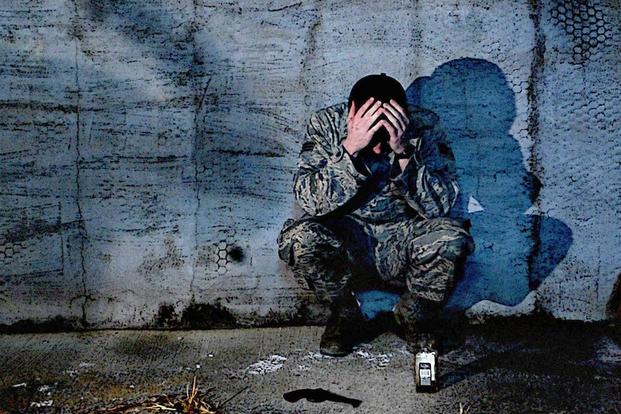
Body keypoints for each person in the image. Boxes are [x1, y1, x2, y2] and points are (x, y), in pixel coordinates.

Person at [277, 73, 475, 356]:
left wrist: (405, 151)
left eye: (385, 139)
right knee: (299, 239)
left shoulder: (424, 125)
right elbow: (310, 201)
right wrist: (350, 149)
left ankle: (415, 316)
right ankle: (345, 316)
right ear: (353, 119)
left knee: (452, 238)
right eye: (373, 138)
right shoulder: (326, 124)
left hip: (402, 240)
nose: (380, 149)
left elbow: (438, 207)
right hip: (348, 242)